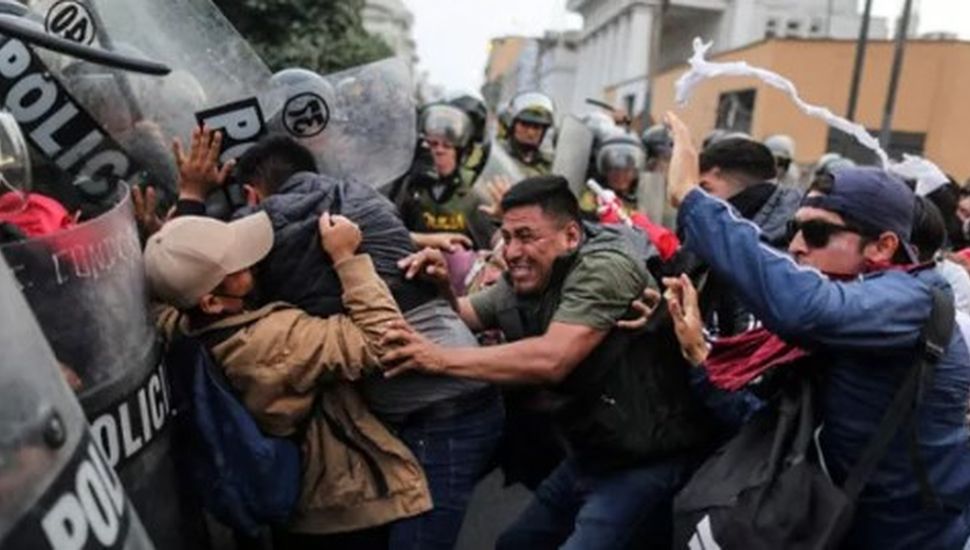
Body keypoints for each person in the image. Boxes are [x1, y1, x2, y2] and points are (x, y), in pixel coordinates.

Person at [664, 110, 970, 549]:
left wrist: (693, 199)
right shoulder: (850, 319)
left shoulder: (912, 300)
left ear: (883, 247)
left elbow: (802, 306)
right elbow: (771, 432)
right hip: (839, 529)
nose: (795, 245)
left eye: (817, 232)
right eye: (794, 228)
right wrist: (701, 356)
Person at [382, 175, 714, 548]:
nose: (511, 252)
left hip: (647, 458)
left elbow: (552, 358)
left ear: (571, 236)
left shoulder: (605, 269)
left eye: (526, 236)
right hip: (592, 452)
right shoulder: (526, 277)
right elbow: (464, 314)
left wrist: (438, 359)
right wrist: (441, 282)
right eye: (506, 238)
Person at [231, 136, 503, 550]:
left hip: (443, 415)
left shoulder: (273, 228)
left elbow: (217, 277)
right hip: (456, 394)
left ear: (253, 193)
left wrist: (193, 200)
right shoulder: (357, 195)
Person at [144, 210, 432, 548]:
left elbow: (161, 307)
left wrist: (168, 253)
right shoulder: (274, 339)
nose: (250, 265)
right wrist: (346, 258)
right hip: (344, 506)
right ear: (211, 302)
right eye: (238, 269)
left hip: (297, 513)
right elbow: (384, 340)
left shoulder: (178, 330)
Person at [686, 136, 802, 338]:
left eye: (705, 190)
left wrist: (695, 346)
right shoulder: (728, 241)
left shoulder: (766, 257)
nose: (700, 202)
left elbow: (748, 360)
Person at [392, 103, 496, 251]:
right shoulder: (408, 188)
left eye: (447, 146)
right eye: (433, 144)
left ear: (461, 153)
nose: (439, 151)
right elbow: (389, 234)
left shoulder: (474, 197)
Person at [578, 133, 646, 220]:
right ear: (605, 170)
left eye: (626, 171)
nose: (620, 176)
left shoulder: (643, 198)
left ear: (635, 172)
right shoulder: (591, 198)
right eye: (615, 170)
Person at [498, 92, 555, 177]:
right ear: (512, 125)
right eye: (525, 125)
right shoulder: (497, 155)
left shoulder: (549, 164)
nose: (531, 133)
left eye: (536, 127)